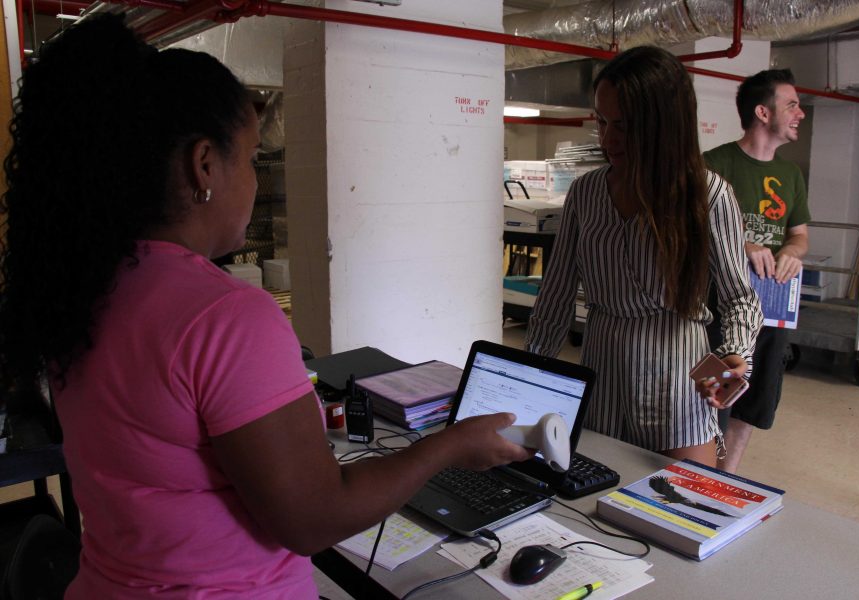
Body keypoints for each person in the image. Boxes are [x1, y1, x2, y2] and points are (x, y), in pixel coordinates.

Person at [0, 15, 530, 598]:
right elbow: (314, 518)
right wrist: (449, 446)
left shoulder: (82, 291)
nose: (254, 182)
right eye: (251, 158)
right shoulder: (225, 315)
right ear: (204, 165)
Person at [525, 46, 763, 468]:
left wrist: (734, 353)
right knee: (595, 497)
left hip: (679, 375)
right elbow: (555, 297)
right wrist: (530, 376)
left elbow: (739, 298)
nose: (608, 139)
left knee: (681, 509)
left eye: (627, 126)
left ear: (665, 127)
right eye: (602, 121)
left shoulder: (708, 196)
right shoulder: (586, 193)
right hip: (604, 368)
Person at [704, 69, 810, 473]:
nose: (800, 113)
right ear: (763, 113)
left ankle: (723, 483)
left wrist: (793, 253)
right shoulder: (714, 164)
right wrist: (741, 244)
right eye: (792, 104)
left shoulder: (791, 175)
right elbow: (687, 233)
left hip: (773, 310)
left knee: (754, 402)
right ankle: (698, 480)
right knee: (715, 402)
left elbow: (799, 236)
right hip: (722, 312)